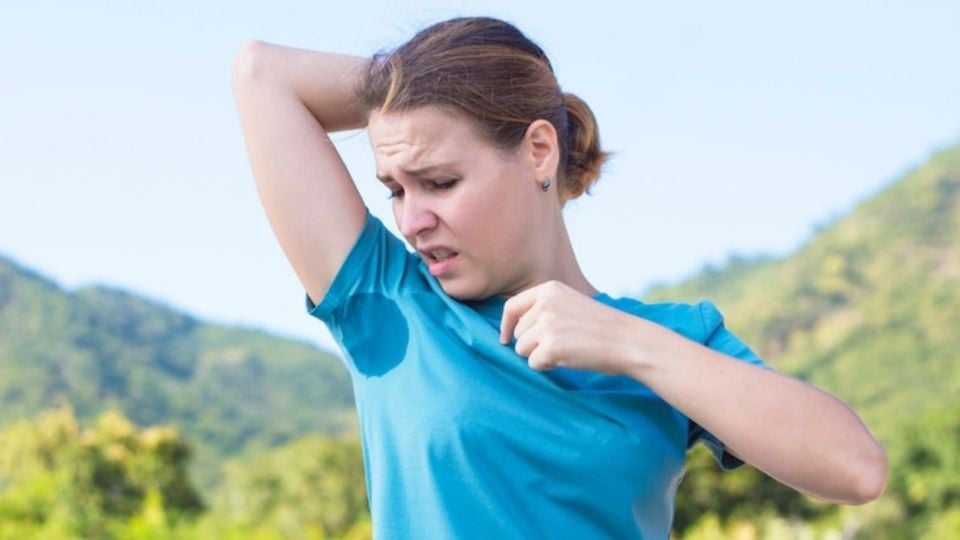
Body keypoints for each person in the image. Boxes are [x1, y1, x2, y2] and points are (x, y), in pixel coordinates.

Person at [232, 16, 887, 539]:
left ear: (539, 151)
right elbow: (263, 74)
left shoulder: (672, 339)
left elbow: (855, 470)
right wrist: (418, 83)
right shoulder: (387, 302)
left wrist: (629, 346)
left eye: (440, 182)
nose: (413, 218)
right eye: (395, 190)